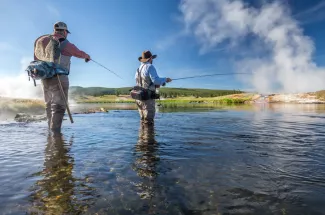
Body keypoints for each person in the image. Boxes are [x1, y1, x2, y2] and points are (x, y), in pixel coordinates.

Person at [34, 21, 91, 133]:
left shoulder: (41, 40)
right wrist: (87, 56)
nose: (67, 34)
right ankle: (56, 135)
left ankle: (50, 133)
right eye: (67, 33)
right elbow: (79, 53)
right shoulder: (65, 43)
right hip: (59, 77)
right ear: (64, 31)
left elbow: (36, 59)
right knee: (59, 106)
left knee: (49, 104)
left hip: (44, 78)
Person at [135, 50, 172, 124]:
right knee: (149, 122)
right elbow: (155, 80)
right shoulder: (150, 66)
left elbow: (141, 82)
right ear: (150, 58)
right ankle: (149, 135)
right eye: (152, 59)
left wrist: (154, 85)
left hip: (139, 97)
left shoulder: (138, 69)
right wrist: (166, 79)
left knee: (142, 121)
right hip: (147, 98)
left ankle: (141, 135)